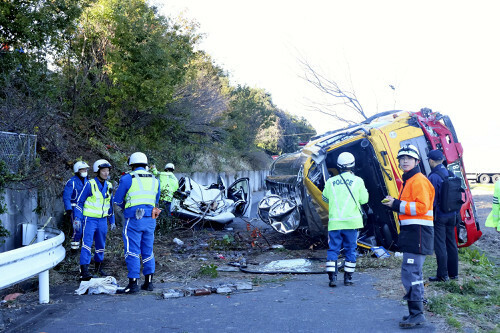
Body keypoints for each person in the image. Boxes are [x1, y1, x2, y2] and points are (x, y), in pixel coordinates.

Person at [382, 144, 434, 329]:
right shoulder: (410, 180)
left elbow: (421, 207)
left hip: (418, 232)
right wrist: (396, 203)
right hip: (415, 232)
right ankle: (415, 312)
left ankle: (417, 314)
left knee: (411, 272)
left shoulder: (418, 180)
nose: (404, 161)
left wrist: (396, 204)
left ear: (417, 161)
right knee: (412, 272)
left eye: (408, 158)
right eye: (401, 158)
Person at [113, 152, 161, 294]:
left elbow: (117, 200)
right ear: (145, 164)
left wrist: (124, 209)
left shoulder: (128, 178)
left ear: (131, 164)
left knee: (132, 250)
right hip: (150, 219)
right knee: (148, 249)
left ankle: (133, 284)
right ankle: (149, 282)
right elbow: (156, 199)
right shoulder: (155, 179)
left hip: (134, 219)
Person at [322, 152, 369, 287]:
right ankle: (348, 278)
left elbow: (325, 198)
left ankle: (332, 278)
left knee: (333, 249)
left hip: (335, 223)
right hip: (352, 223)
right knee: (350, 249)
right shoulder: (358, 181)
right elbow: (364, 200)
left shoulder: (330, 182)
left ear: (338, 165)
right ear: (353, 165)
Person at [74, 159, 115, 281]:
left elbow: (110, 204)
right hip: (89, 220)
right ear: (98, 171)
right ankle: (84, 271)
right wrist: (77, 217)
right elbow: (79, 202)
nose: (106, 173)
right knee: (87, 244)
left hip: (102, 220)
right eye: (103, 171)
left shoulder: (109, 185)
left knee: (101, 245)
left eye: (107, 171)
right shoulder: (90, 184)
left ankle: (98, 267)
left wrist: (112, 221)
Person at [427, 149, 459, 282]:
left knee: (440, 245)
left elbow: (432, 199)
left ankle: (442, 275)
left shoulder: (433, 176)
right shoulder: (449, 173)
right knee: (451, 243)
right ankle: (454, 274)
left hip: (440, 215)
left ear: (431, 161)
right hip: (452, 214)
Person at [63, 161, 89, 251]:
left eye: (86, 169)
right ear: (77, 170)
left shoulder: (88, 181)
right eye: (82, 169)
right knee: (77, 228)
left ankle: (84, 248)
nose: (85, 171)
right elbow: (66, 197)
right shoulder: (71, 182)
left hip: (87, 208)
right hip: (75, 208)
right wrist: (68, 209)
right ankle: (74, 249)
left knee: (86, 228)